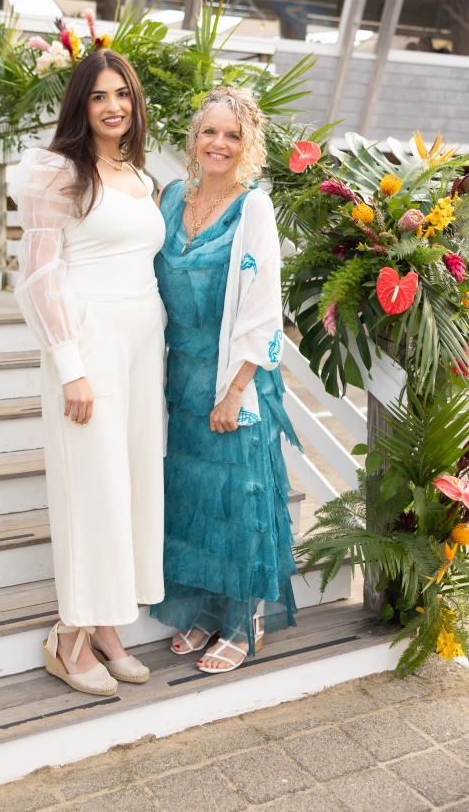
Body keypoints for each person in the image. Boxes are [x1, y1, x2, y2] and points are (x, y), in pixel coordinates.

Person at [10, 49, 166, 697]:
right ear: (80, 104)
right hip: (89, 342)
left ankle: (106, 627)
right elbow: (39, 276)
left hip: (142, 344)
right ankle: (67, 636)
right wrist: (69, 365)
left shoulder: (140, 175)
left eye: (121, 94)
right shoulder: (60, 172)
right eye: (98, 95)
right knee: (91, 487)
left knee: (128, 486)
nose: (112, 106)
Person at [150, 85, 301, 673]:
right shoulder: (171, 197)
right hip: (181, 376)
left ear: (248, 144)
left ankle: (242, 621)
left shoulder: (253, 207)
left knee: (237, 500)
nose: (219, 143)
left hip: (231, 377)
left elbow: (263, 306)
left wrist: (235, 391)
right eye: (209, 131)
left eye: (232, 135)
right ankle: (206, 610)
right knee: (194, 500)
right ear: (194, 137)